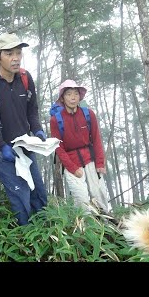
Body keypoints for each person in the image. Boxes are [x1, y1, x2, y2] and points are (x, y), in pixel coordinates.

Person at [0, 32, 48, 226]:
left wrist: (38, 130)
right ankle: (25, 238)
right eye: (9, 53)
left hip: (26, 147)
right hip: (2, 153)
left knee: (38, 193)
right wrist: (1, 146)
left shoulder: (25, 78)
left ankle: (45, 235)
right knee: (20, 197)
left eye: (18, 52)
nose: (16, 58)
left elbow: (32, 111)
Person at [50, 79, 109, 215]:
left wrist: (100, 163)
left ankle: (107, 225)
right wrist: (72, 167)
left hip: (91, 160)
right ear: (62, 98)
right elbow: (58, 147)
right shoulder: (56, 120)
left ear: (80, 96)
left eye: (76, 93)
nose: (73, 97)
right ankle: (87, 230)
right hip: (71, 162)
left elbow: (96, 139)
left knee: (99, 194)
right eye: (69, 94)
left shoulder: (88, 114)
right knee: (81, 200)